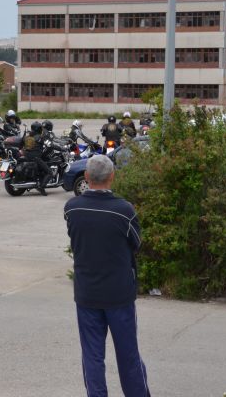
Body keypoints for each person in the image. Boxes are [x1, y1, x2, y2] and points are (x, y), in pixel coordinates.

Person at [63, 155, 150, 397]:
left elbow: (74, 237)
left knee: (92, 356)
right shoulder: (124, 210)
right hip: (118, 293)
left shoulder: (72, 208)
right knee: (128, 355)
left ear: (86, 177)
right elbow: (136, 243)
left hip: (87, 292)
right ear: (112, 176)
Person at [22, 121, 50, 196]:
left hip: (26, 156)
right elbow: (50, 144)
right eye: (40, 128)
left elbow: (22, 143)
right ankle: (42, 187)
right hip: (35, 157)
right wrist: (61, 148)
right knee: (49, 172)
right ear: (38, 129)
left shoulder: (27, 136)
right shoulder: (40, 137)